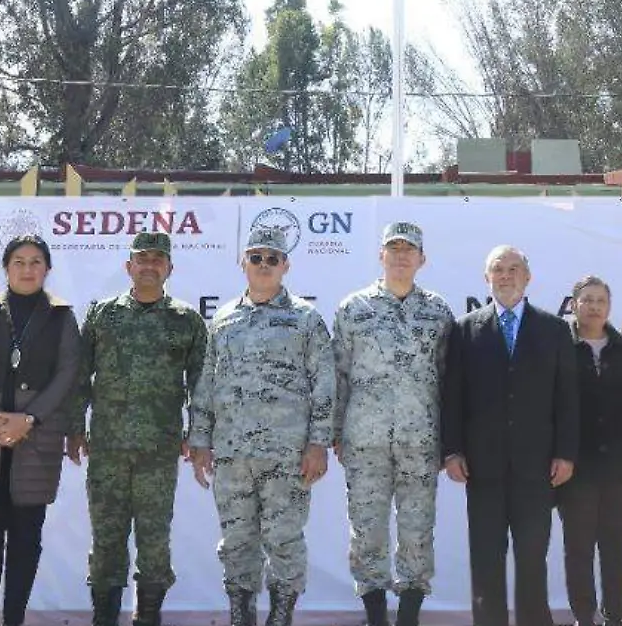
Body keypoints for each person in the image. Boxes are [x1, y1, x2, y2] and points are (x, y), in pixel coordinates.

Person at [188, 223, 335, 626]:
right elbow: (206, 383)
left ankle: (281, 616)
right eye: (256, 257)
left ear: (285, 265)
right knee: (236, 542)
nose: (264, 265)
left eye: (272, 258)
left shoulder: (305, 319)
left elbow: (324, 382)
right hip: (232, 454)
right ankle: (242, 615)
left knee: (284, 539)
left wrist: (318, 443)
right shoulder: (223, 320)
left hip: (286, 455)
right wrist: (200, 440)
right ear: (243, 263)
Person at [68, 231, 209, 626]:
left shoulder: (186, 321)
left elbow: (201, 386)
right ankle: (104, 619)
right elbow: (80, 376)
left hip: (158, 454)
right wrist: (75, 428)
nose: (149, 266)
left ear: (169, 268)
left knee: (154, 543)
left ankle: (147, 618)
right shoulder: (103, 314)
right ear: (128, 266)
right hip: (108, 449)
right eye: (142, 259)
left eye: (157, 259)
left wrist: (198, 438)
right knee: (107, 541)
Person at [439, 244, 579, 626]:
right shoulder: (466, 329)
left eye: (513, 269)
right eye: (497, 269)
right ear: (487, 278)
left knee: (532, 557)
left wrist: (566, 453)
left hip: (537, 467)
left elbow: (568, 398)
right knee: (486, 557)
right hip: (482, 468)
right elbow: (452, 396)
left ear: (528, 277)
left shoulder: (554, 329)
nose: (505, 276)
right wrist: (451, 452)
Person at [0, 234, 81, 626]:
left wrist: (29, 419)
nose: (28, 269)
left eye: (36, 262)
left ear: (47, 269)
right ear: (6, 268)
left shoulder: (62, 316)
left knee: (26, 543)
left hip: (35, 444)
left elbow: (67, 373)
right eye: (19, 262)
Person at [332, 222, 456, 626]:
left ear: (422, 259)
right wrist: (334, 432)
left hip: (420, 441)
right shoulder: (353, 309)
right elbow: (339, 375)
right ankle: (375, 618)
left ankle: (409, 617)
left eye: (409, 249)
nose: (401, 255)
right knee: (367, 533)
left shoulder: (438, 311)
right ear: (380, 255)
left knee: (418, 532)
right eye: (393, 248)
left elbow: (449, 379)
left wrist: (450, 440)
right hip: (364, 441)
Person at [559, 276, 622, 626]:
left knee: (615, 550)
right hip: (575, 470)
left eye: (600, 300)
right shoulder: (560, 348)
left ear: (609, 306)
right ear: (574, 305)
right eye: (586, 300)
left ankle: (614, 617)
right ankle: (584, 618)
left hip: (621, 470)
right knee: (578, 551)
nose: (594, 306)